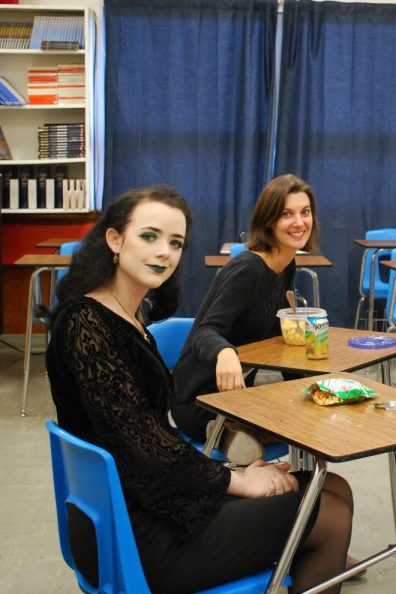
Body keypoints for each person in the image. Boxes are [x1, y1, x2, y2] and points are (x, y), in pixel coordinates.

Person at [46, 185, 353, 593]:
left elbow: (152, 439)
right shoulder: (86, 323)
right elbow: (141, 444)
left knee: (331, 486)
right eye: (149, 236)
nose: (164, 252)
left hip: (148, 498)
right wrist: (238, 482)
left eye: (175, 243)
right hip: (135, 533)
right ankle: (315, 553)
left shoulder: (128, 316)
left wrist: (229, 471)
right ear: (115, 240)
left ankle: (311, 555)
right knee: (328, 515)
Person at [171, 174, 319, 464]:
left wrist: (307, 389)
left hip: (236, 398)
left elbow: (279, 332)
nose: (299, 222)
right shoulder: (248, 270)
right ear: (269, 221)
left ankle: (244, 435)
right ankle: (230, 436)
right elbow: (205, 331)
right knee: (296, 426)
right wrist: (225, 351)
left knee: (310, 419)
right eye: (287, 214)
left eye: (305, 212)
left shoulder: (287, 264)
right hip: (198, 401)